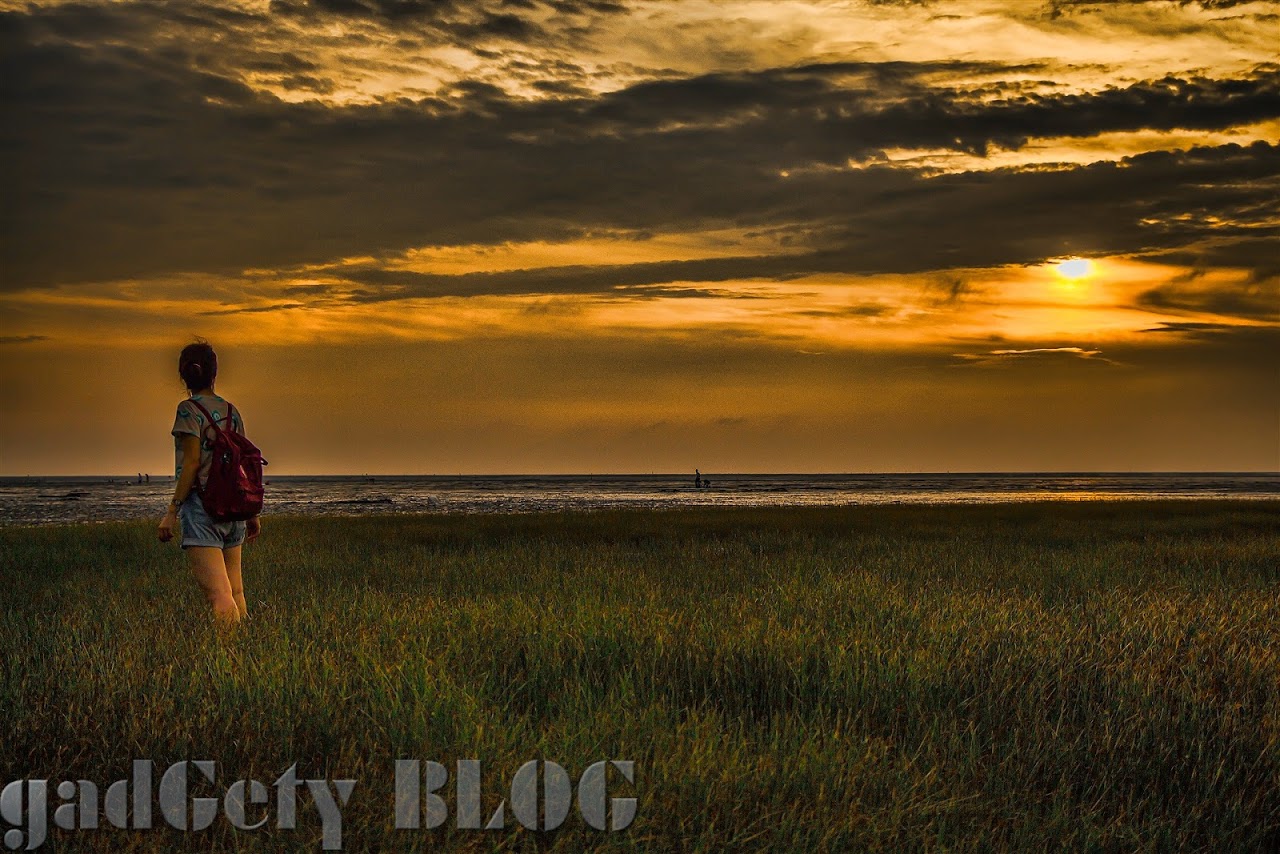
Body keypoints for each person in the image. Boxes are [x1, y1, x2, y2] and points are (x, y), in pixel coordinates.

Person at [157, 341, 260, 625]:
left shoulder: (188, 410)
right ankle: (245, 652)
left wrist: (171, 512)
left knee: (219, 596)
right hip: (233, 506)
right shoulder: (231, 411)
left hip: (202, 508)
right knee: (236, 591)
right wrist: (250, 513)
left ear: (183, 375)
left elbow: (190, 464)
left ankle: (228, 659)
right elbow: (241, 466)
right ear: (214, 374)